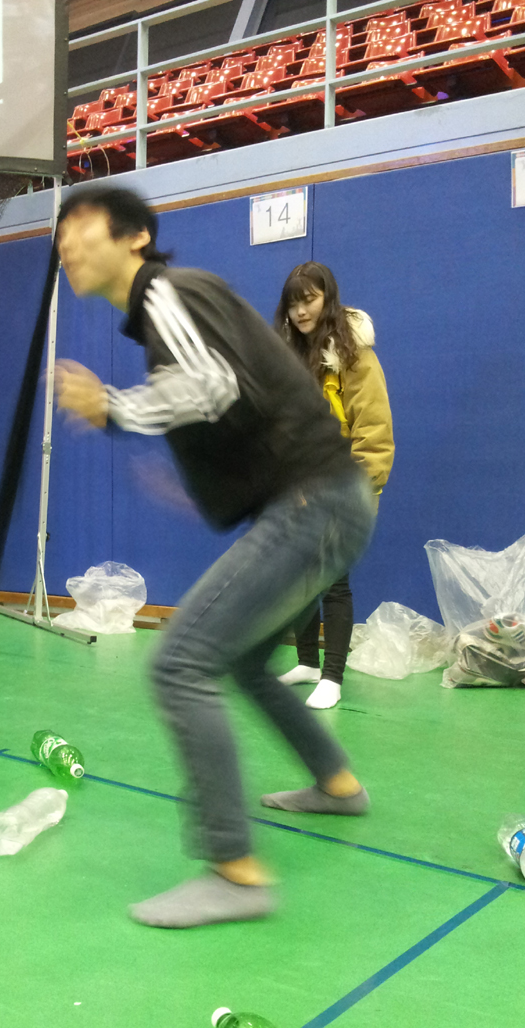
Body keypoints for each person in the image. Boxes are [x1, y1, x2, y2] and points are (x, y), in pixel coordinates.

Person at [53, 185, 375, 929]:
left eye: (80, 224)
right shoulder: (175, 308)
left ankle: (235, 872)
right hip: (326, 503)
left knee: (179, 664)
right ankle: (336, 783)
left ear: (135, 237)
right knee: (243, 662)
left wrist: (113, 407)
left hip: (316, 505)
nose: (65, 242)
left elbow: (208, 386)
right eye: (60, 233)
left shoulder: (166, 292)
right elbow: (238, 398)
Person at [274, 263, 394, 710]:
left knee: (333, 581)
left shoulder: (354, 355)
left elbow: (374, 431)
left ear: (328, 298)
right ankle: (308, 662)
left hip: (342, 488)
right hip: (300, 487)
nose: (301, 311)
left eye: (309, 299)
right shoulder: (291, 354)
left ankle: (333, 676)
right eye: (293, 303)